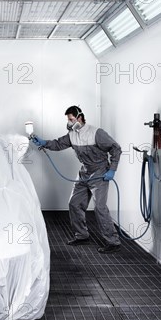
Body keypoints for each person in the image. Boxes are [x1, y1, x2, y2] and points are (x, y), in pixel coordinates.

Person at [32, 105, 122, 253]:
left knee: (99, 207)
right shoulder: (72, 134)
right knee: (74, 203)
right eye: (68, 119)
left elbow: (115, 148)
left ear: (79, 117)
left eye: (71, 119)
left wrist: (112, 169)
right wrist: (44, 143)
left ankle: (113, 241)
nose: (69, 122)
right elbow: (58, 143)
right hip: (85, 172)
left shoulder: (96, 133)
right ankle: (82, 235)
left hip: (100, 172)